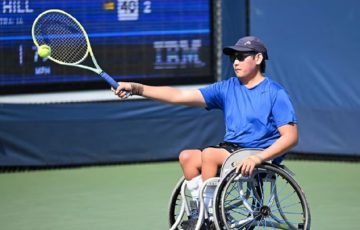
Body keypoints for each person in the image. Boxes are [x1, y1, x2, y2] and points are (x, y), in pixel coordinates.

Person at [114, 36, 298, 228]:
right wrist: (137, 88)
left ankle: (209, 215)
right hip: (232, 151)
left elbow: (291, 137)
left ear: (258, 58)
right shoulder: (227, 88)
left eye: (242, 57)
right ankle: (201, 211)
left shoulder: (275, 93)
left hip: (257, 154)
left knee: (210, 154)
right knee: (187, 157)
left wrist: (258, 158)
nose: (236, 61)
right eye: (233, 57)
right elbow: (179, 96)